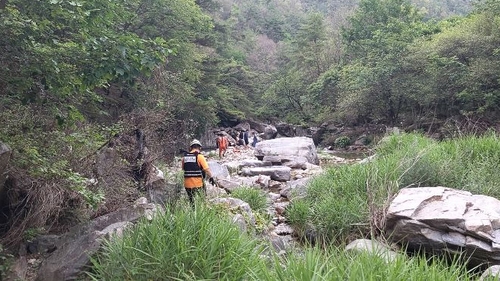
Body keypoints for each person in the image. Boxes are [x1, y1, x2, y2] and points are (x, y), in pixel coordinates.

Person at [182, 139, 216, 206]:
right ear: (200, 147)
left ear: (190, 148)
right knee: (202, 198)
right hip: (197, 184)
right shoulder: (200, 157)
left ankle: (193, 212)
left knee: (191, 201)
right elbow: (206, 169)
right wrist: (211, 178)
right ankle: (202, 210)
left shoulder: (184, 157)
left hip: (187, 184)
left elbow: (183, 168)